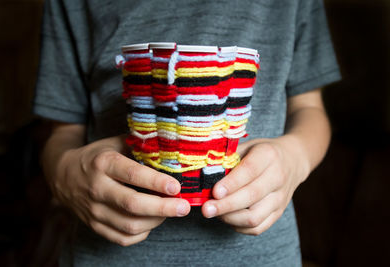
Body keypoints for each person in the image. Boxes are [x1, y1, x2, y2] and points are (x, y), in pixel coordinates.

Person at [34, 0, 341, 266]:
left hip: (262, 253)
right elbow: (62, 131)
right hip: (106, 250)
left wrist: (295, 157)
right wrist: (64, 174)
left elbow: (310, 110)